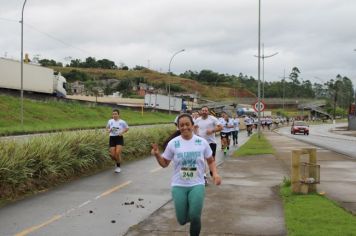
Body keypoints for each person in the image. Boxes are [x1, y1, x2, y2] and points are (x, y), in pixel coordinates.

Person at [151, 113, 221, 236]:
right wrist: (157, 155)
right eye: (181, 125)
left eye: (187, 124)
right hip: (179, 185)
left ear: (193, 126)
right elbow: (164, 164)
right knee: (182, 220)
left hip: (197, 184)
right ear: (178, 127)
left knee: (195, 216)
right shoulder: (173, 143)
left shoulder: (202, 142)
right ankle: (189, 217)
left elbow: (210, 160)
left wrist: (215, 174)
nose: (184, 127)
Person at [194, 106, 222, 184]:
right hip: (200, 143)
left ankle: (212, 173)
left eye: (206, 110)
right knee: (202, 160)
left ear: (208, 112)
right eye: (203, 110)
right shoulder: (198, 120)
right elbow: (195, 127)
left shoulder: (212, 119)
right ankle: (204, 177)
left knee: (211, 160)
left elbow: (220, 127)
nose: (204, 112)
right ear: (201, 112)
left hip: (211, 142)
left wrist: (212, 130)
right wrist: (196, 135)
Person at [106, 109, 129, 173]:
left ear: (118, 115)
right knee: (113, 155)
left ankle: (118, 167)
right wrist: (109, 130)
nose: (114, 115)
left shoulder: (122, 122)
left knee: (117, 153)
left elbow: (127, 128)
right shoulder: (110, 121)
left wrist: (122, 132)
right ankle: (117, 161)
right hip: (112, 138)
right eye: (113, 114)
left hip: (119, 138)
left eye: (116, 114)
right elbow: (107, 128)